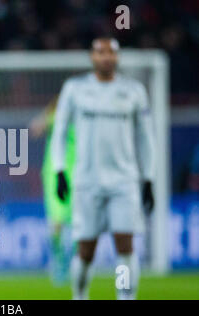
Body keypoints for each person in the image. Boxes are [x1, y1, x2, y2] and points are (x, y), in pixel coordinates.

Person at [51, 37, 155, 300]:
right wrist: (60, 171)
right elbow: (60, 132)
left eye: (111, 52)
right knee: (86, 249)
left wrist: (148, 179)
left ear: (117, 58)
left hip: (124, 181)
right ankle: (80, 294)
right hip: (87, 182)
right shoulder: (75, 89)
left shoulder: (134, 91)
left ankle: (125, 297)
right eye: (100, 52)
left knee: (125, 246)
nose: (106, 57)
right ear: (92, 56)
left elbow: (146, 137)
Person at [29, 96, 75, 284]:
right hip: (55, 175)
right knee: (57, 221)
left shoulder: (83, 120)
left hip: (80, 175)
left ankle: (70, 260)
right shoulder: (56, 117)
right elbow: (35, 128)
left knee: (80, 224)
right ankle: (58, 260)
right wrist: (49, 114)